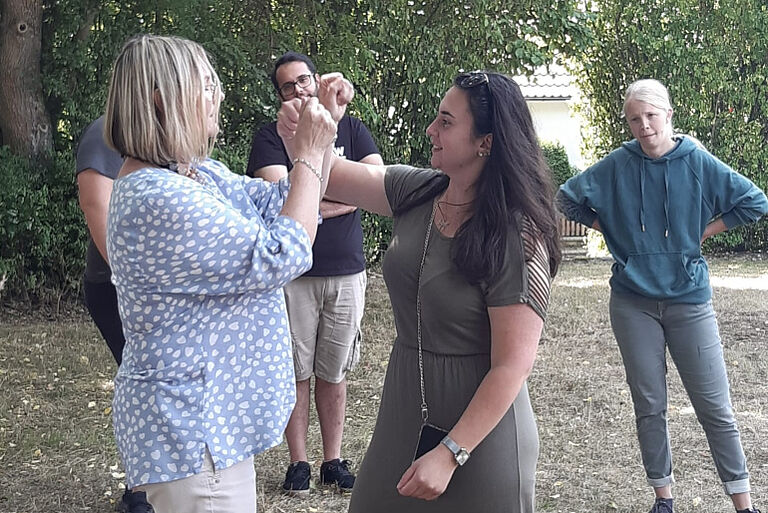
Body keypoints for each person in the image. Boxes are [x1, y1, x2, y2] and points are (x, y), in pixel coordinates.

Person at [279, 70, 561, 512]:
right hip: (404, 408)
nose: (431, 129)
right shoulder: (418, 190)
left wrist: (451, 454)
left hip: (482, 436)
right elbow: (325, 175)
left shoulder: (517, 233)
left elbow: (512, 366)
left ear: (486, 141)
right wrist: (318, 123)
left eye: (446, 122)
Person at [103, 34, 337, 513]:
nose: (220, 96)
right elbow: (282, 252)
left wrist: (318, 136)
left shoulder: (193, 174)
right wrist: (310, 154)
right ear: (159, 99)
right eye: (206, 85)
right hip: (195, 438)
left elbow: (279, 202)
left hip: (210, 431)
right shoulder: (157, 198)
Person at [557, 78, 767, 513]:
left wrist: (700, 233)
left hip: (689, 299)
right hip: (632, 302)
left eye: (651, 116)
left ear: (669, 115)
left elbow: (754, 201)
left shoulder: (696, 161)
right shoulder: (617, 164)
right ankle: (664, 498)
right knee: (650, 404)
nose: (644, 126)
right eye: (635, 119)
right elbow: (567, 198)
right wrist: (611, 230)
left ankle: (743, 503)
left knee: (715, 407)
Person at [246, 51, 383, 496]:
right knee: (295, 372)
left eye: (305, 80)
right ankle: (298, 463)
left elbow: (376, 183)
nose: (300, 89)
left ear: (318, 79)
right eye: (289, 86)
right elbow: (277, 200)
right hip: (294, 276)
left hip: (346, 270)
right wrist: (340, 195)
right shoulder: (269, 139)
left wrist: (312, 200)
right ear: (280, 96)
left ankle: (333, 460)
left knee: (335, 370)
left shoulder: (351, 126)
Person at [76, 116, 154, 513]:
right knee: (144, 381)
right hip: (116, 285)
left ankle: (158, 485)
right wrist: (133, 279)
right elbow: (95, 201)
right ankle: (139, 491)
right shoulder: (110, 130)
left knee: (158, 384)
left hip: (156, 286)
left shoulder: (168, 130)